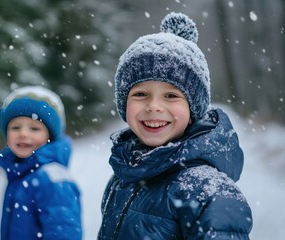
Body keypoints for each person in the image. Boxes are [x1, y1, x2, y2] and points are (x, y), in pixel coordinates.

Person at [97, 12, 253, 239]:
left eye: (170, 96)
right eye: (141, 94)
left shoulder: (208, 191)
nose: (154, 106)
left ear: (193, 110)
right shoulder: (123, 176)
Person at [0, 86, 82, 240]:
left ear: (49, 136)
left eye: (34, 128)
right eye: (15, 127)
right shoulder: (19, 172)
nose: (23, 134)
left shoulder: (53, 178)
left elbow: (64, 233)